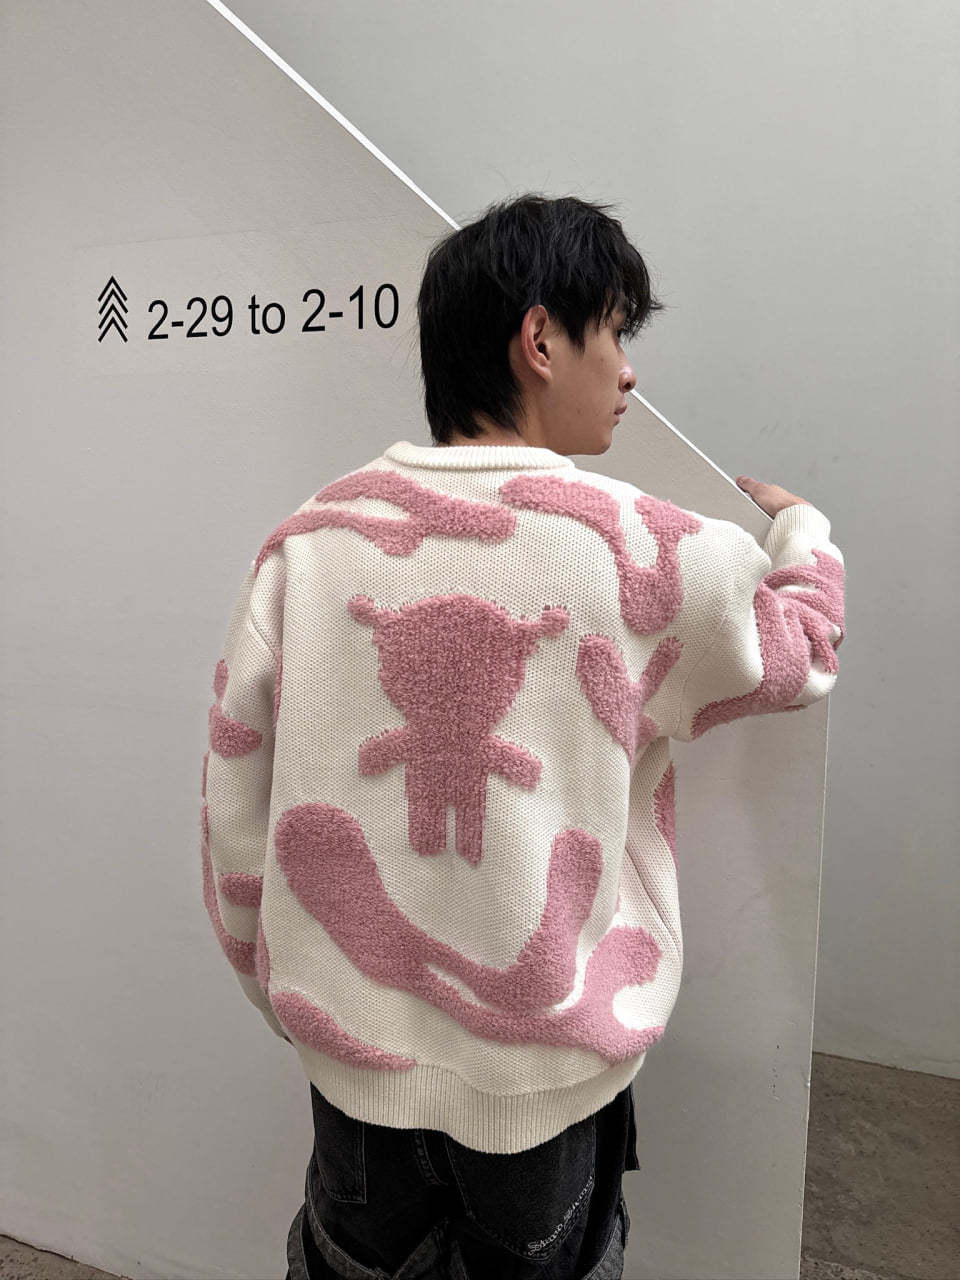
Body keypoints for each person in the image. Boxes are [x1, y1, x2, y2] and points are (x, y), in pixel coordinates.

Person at [199, 194, 845, 1280]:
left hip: (350, 1071)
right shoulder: (646, 548)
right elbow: (804, 649)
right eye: (615, 333)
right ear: (540, 339)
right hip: (548, 1086)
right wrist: (802, 530)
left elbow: (234, 811)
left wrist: (292, 995)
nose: (630, 373)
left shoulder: (306, 548)